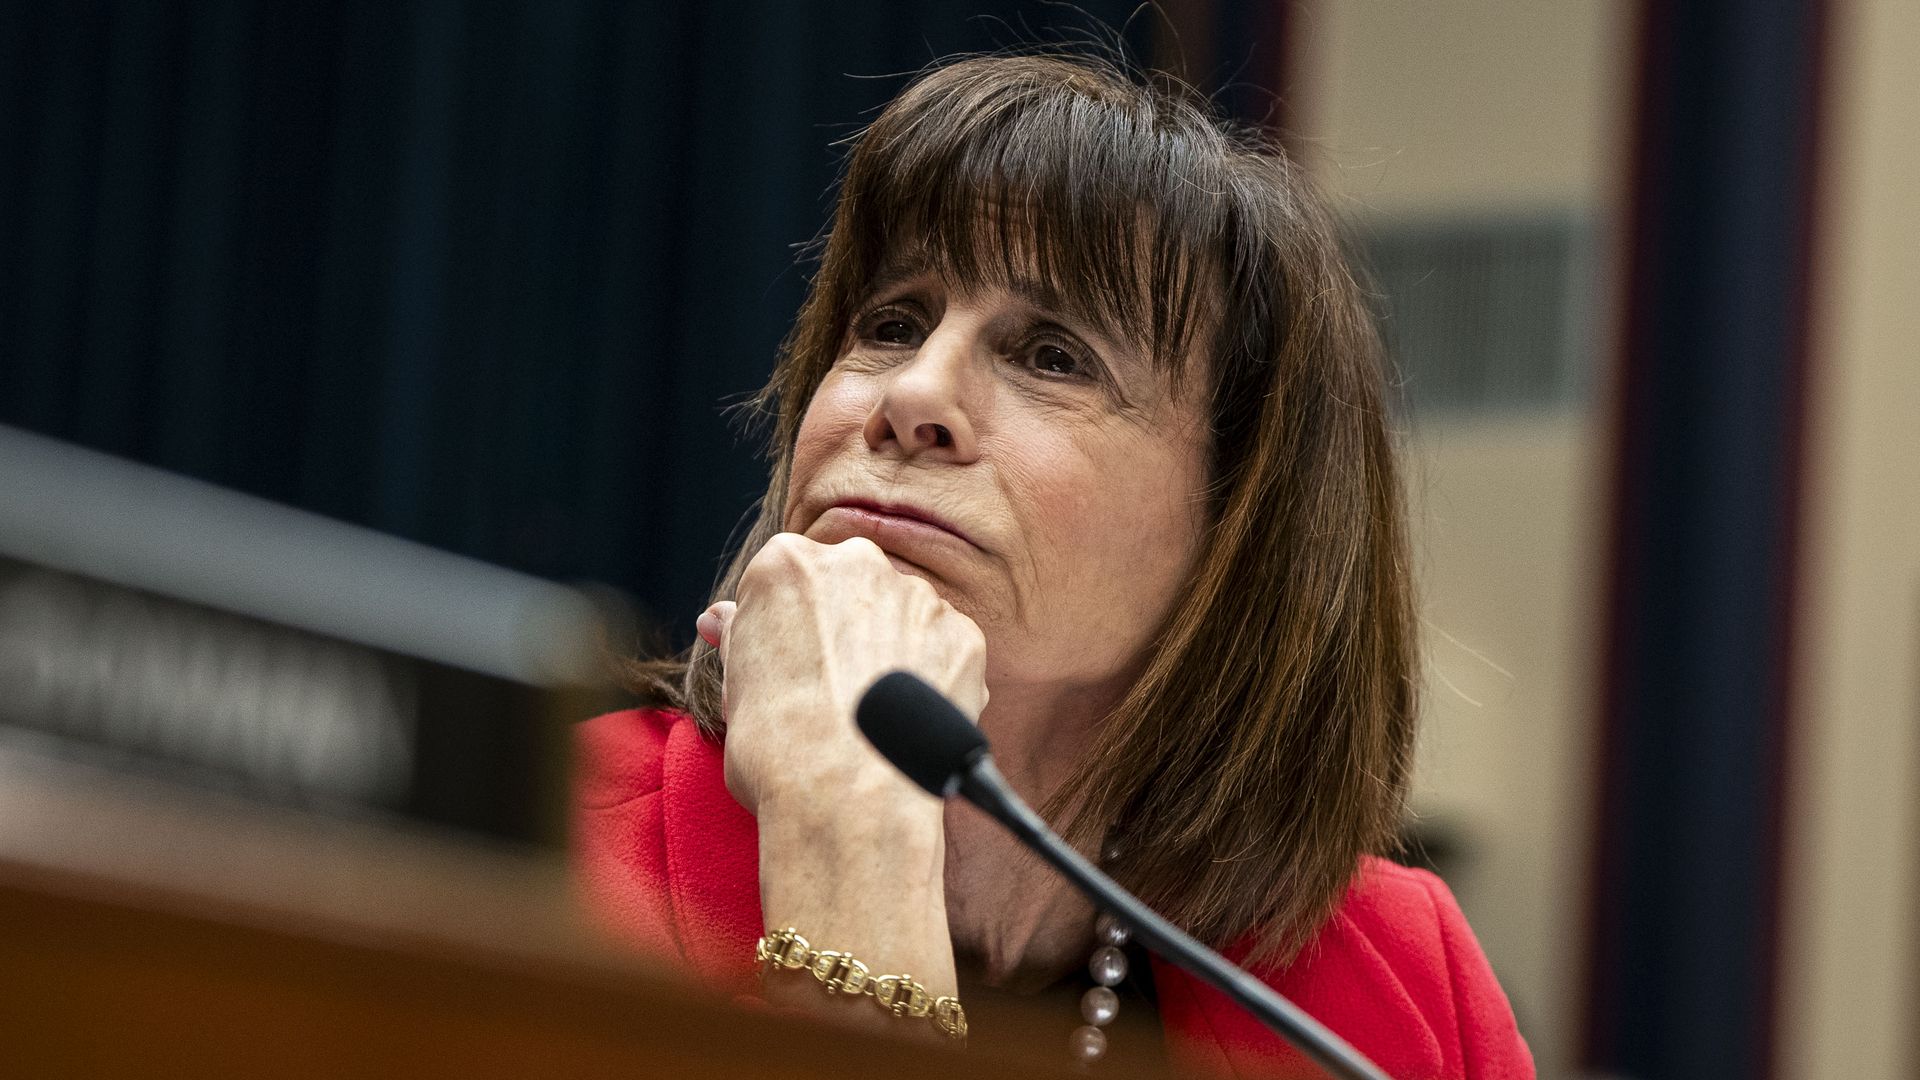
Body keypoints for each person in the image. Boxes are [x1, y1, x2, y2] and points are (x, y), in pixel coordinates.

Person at [576, 53, 1534, 1079]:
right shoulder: (533, 838)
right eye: (891, 325)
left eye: (1052, 357)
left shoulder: (1399, 980)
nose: (912, 396)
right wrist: (843, 821)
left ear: (1235, 523)